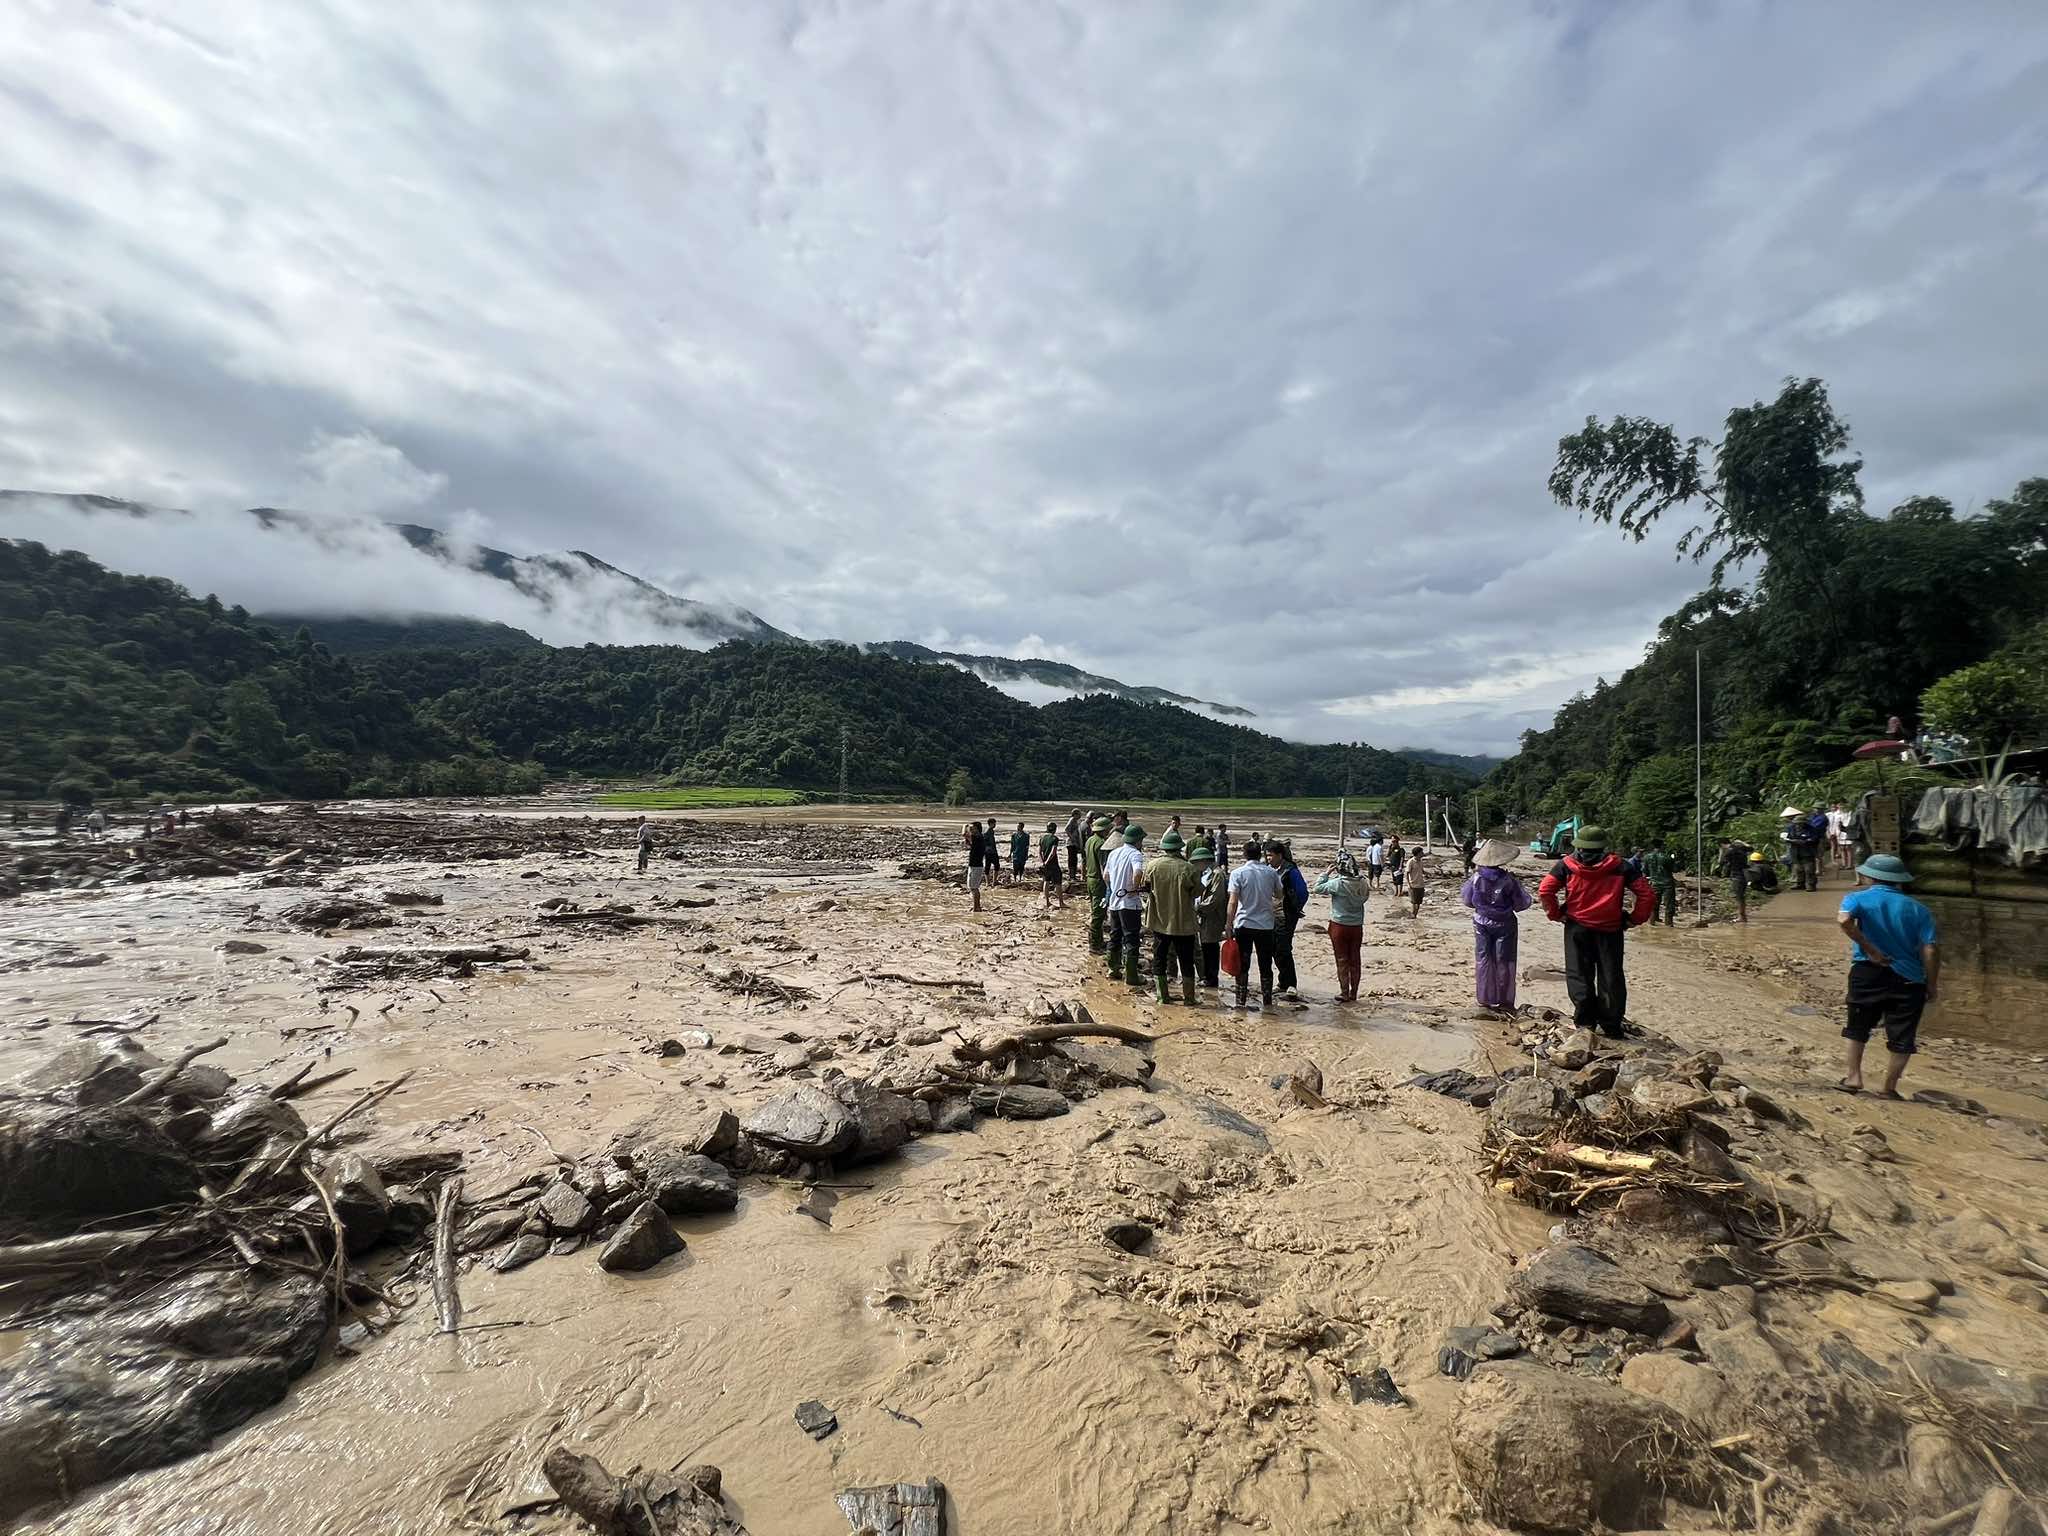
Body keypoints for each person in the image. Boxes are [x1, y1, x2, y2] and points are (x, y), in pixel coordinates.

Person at [1835, 853, 1938, 1099]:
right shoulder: (1920, 909)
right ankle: (1889, 1088)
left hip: (1867, 971)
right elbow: (1930, 949)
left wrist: (1870, 949)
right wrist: (1932, 984)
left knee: (1858, 1025)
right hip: (1910, 978)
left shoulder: (1856, 898)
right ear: (1899, 880)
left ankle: (1853, 1078)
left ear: (1870, 876)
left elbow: (1844, 920)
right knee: (1903, 1034)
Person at [1536, 825, 1655, 1038]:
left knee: (1579, 974)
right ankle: (1611, 1026)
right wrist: (1634, 920)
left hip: (1577, 927)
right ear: (1603, 845)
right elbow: (1646, 895)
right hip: (1610, 929)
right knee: (1611, 977)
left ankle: (1585, 1023)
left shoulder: (1566, 865)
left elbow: (1545, 890)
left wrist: (1556, 914)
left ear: (1578, 845)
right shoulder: (1622, 866)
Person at [1462, 839, 1533, 1012]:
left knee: (1483, 959)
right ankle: (1504, 1000)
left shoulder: (1476, 878)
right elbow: (1522, 903)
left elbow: (1467, 900)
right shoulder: (1509, 880)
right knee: (1505, 961)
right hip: (1505, 923)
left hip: (1481, 922)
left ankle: (1484, 998)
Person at [1139, 830, 1202, 1005]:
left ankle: (1162, 996)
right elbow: (1197, 892)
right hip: (1183, 923)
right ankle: (1189, 998)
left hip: (1159, 921)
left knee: (1160, 958)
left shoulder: (1153, 865)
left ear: (1165, 849)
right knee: (1187, 960)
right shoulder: (1189, 868)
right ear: (1179, 848)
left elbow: (1145, 886)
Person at [1224, 839, 1281, 1010]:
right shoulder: (1271, 873)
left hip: (1244, 923)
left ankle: (1240, 1000)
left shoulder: (1238, 873)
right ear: (1261, 854)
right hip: (1265, 925)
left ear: (1244, 854)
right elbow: (1279, 894)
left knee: (1242, 963)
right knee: (1265, 964)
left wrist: (1228, 923)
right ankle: (1267, 1001)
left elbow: (1233, 901)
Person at [1313, 850, 1368, 1003]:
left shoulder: (1338, 884)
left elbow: (1317, 888)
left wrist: (1325, 874)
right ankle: (1354, 993)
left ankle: (1344, 992)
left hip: (1339, 925)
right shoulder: (1363, 882)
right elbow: (1365, 897)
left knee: (1342, 959)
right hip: (1357, 926)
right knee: (1355, 960)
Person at [1105, 823, 1148, 989]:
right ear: (1138, 840)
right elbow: (1138, 872)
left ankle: (1113, 970)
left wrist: (1113, 888)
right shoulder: (1135, 854)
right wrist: (1134, 888)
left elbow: (1106, 875)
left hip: (1114, 902)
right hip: (1129, 903)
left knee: (1115, 935)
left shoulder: (1114, 853)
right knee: (1131, 938)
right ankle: (1131, 976)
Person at [1270, 841, 1308, 1001]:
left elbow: (1303, 892)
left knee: (1283, 948)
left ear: (1280, 855)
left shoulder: (1290, 871)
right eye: (1266, 855)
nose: (1268, 858)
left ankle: (1291, 984)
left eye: (1270, 855)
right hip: (1271, 914)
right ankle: (1282, 982)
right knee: (1274, 948)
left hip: (1286, 915)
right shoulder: (1270, 870)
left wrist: (1294, 909)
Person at [1191, 843, 1227, 990]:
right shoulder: (1208, 873)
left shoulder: (1217, 874)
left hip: (1213, 916)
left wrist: (1198, 908)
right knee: (1206, 946)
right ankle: (1207, 977)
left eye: (1196, 863)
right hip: (1206, 916)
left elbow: (1215, 898)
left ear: (1204, 861)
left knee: (1210, 947)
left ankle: (1211, 978)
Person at [1083, 815, 1111, 955]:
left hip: (1090, 879)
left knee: (1096, 911)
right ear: (1105, 830)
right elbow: (1103, 867)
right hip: (1099, 882)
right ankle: (1094, 945)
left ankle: (1098, 941)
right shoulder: (1101, 844)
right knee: (1098, 914)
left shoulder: (1089, 840)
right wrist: (1109, 885)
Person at [1781, 806, 1821, 892]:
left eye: (1800, 823)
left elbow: (1815, 838)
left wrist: (1805, 841)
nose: (1798, 825)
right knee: (1798, 868)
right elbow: (1785, 837)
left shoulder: (1811, 829)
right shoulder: (1790, 828)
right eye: (1797, 824)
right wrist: (1789, 840)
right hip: (1795, 851)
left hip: (1807, 851)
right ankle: (1800, 883)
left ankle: (1810, 884)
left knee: (1809, 869)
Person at [1639, 844, 1678, 926]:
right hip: (1667, 883)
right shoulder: (1666, 857)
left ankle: (1652, 922)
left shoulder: (1647, 857)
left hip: (1654, 883)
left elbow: (1644, 871)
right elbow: (1674, 869)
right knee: (1669, 904)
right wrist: (1674, 860)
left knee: (1654, 903)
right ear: (1661, 847)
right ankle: (1668, 924)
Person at [1717, 837, 1753, 923]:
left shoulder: (1729, 852)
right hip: (1745, 874)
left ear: (1721, 845)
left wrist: (1721, 852)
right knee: (1741, 896)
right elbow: (1751, 848)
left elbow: (1720, 862)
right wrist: (1742, 842)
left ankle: (1742, 917)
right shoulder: (1740, 848)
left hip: (1736, 875)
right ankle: (1742, 915)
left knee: (1739, 896)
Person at [1039, 822, 1066, 910]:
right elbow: (1053, 852)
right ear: (1054, 829)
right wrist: (1047, 862)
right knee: (1057, 883)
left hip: (1044, 864)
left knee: (1046, 881)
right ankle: (1061, 902)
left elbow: (1039, 852)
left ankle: (1047, 902)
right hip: (1053, 863)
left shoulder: (1042, 838)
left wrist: (1042, 862)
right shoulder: (1054, 838)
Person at [965, 820, 988, 910]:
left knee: (974, 888)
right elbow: (968, 843)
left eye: (972, 828)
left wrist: (965, 826)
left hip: (976, 866)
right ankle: (977, 906)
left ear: (977, 829)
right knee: (973, 887)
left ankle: (976, 907)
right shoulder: (978, 838)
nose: (971, 830)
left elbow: (964, 834)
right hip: (975, 865)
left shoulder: (977, 837)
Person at [1404, 844, 1425, 918]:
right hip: (1413, 885)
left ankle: (1415, 915)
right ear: (1418, 853)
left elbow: (1422, 871)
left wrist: (1427, 874)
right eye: (1421, 852)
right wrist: (1409, 884)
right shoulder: (1410, 862)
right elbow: (1406, 873)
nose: (1423, 853)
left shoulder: (1421, 861)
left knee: (1419, 902)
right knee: (1414, 902)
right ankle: (1413, 915)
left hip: (1421, 884)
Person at [1065, 810, 1084, 879]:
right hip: (1071, 843)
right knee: (1072, 859)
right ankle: (1071, 875)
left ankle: (1073, 875)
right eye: (1079, 814)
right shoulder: (1072, 820)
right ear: (1075, 814)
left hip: (1074, 843)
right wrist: (1072, 838)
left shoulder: (1076, 821)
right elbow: (1066, 829)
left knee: (1074, 859)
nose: (1080, 816)